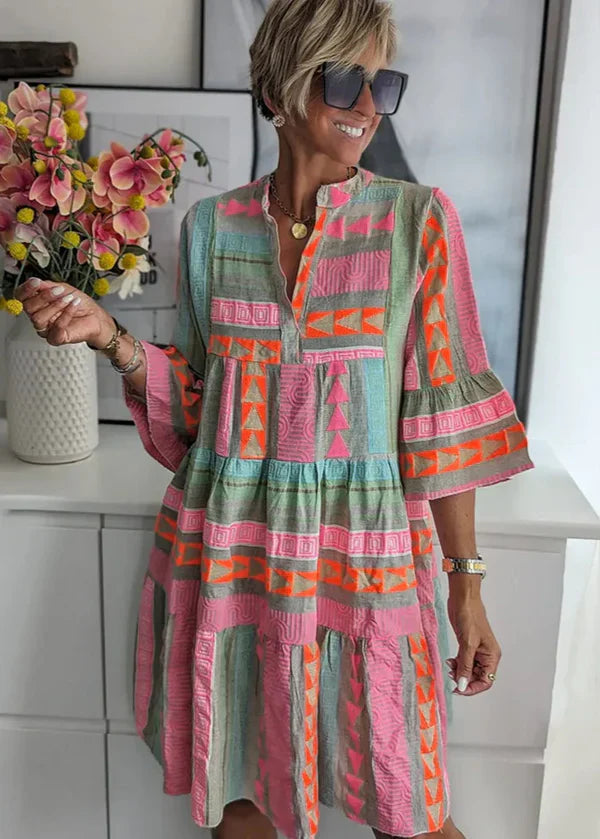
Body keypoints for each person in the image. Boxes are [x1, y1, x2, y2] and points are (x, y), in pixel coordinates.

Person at [15, 1, 535, 836]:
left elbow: (443, 424)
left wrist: (465, 585)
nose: (368, 106)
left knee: (412, 807)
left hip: (364, 562)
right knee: (243, 798)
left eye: (383, 85)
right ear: (281, 88)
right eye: (346, 79)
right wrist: (112, 337)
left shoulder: (417, 223)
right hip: (233, 557)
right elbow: (198, 418)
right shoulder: (211, 228)